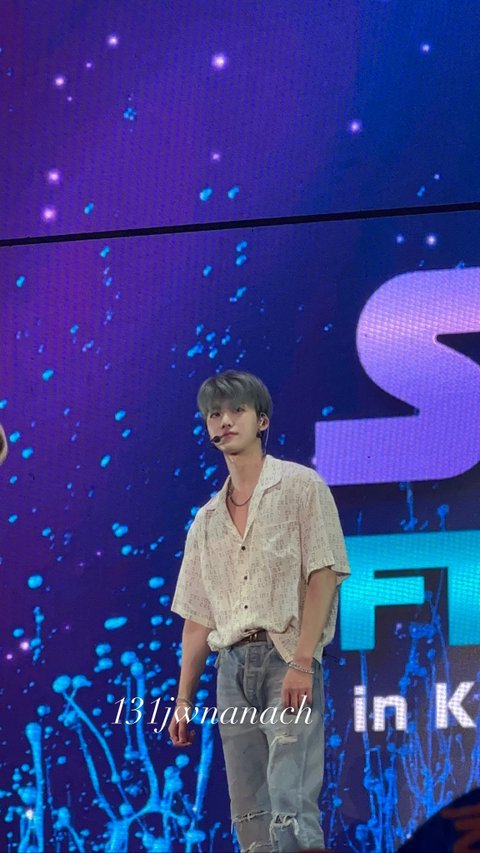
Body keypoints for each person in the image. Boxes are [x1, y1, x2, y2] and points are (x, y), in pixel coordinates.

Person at [169, 370, 350, 852]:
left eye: (236, 411)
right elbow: (197, 619)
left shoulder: (301, 486)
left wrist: (302, 660)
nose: (224, 421)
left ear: (261, 420)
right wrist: (183, 699)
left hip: (284, 656)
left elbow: (324, 574)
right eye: (214, 414)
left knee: (291, 806)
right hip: (230, 668)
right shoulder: (206, 520)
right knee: (249, 814)